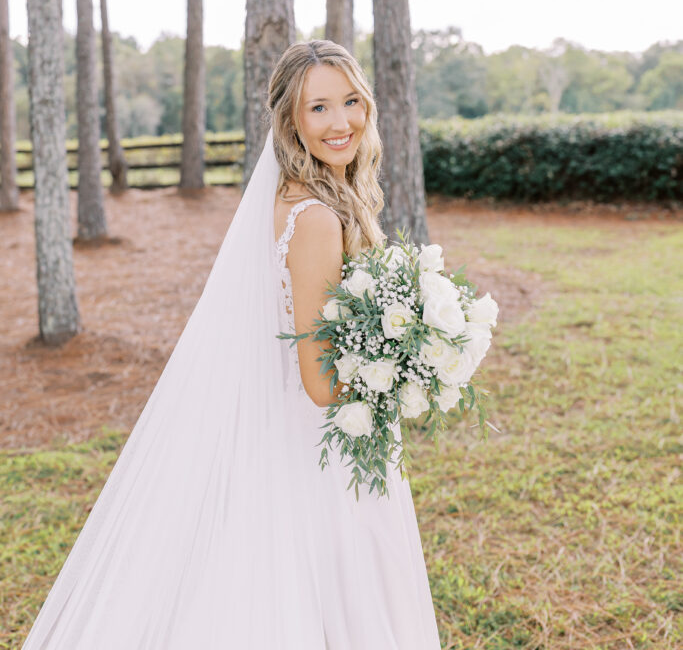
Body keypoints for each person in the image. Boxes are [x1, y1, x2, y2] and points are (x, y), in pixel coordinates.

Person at [21, 39, 441, 649]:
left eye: (351, 101)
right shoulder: (316, 219)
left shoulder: (301, 197)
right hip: (316, 449)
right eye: (318, 107)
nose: (341, 121)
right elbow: (321, 383)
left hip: (292, 433)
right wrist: (404, 366)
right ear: (290, 122)